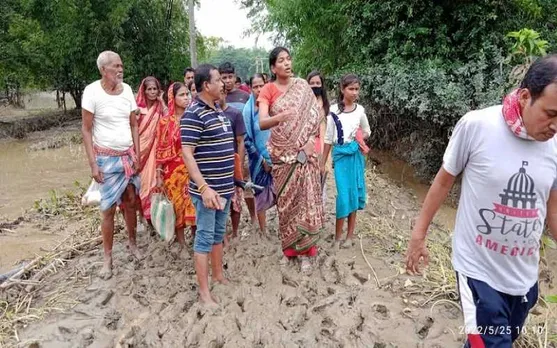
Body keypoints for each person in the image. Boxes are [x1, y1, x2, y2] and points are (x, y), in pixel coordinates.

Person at [405, 55, 557, 348]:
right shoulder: (477, 126)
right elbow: (442, 182)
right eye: (550, 113)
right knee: (492, 344)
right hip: (478, 275)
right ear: (526, 97)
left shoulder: (554, 146)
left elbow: (553, 209)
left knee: (489, 341)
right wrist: (418, 235)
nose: (555, 125)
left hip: (523, 280)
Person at [258, 47, 324, 274]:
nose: (287, 63)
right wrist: (280, 117)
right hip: (282, 157)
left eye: (289, 59)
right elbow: (262, 122)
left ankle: (307, 253)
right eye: (281, 60)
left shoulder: (303, 87)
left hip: (305, 156)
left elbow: (316, 117)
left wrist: (309, 144)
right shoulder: (267, 90)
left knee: (306, 203)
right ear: (273, 67)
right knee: (286, 205)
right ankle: (289, 251)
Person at [81, 51, 141, 280]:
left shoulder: (126, 91)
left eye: (121, 66)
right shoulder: (91, 92)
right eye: (116, 66)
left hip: (127, 156)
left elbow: (133, 124)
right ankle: (108, 259)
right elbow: (86, 129)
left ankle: (132, 244)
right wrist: (93, 165)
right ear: (103, 70)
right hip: (105, 159)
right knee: (107, 209)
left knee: (131, 201)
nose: (120, 70)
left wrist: (137, 153)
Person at [181, 64, 234, 306]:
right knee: (203, 238)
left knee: (218, 234)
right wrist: (203, 188)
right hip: (208, 193)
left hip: (224, 189)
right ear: (206, 85)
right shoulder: (193, 113)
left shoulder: (218, 110)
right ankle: (204, 292)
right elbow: (187, 154)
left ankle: (219, 276)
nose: (223, 84)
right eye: (218, 80)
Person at [321, 74, 370, 249]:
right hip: (340, 157)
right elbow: (328, 138)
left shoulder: (360, 111)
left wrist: (359, 136)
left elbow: (367, 130)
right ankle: (337, 237)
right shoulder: (334, 111)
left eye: (357, 89)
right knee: (343, 196)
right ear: (342, 89)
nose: (354, 92)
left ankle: (350, 236)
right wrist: (323, 161)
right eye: (351, 89)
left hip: (355, 157)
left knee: (354, 194)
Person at [155, 82, 196, 252]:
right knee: (177, 206)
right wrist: (158, 176)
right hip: (173, 173)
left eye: (188, 94)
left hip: (193, 168)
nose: (186, 98)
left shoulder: (194, 117)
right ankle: (181, 243)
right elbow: (159, 150)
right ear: (173, 97)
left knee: (195, 204)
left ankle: (196, 237)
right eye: (182, 95)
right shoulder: (165, 122)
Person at [219, 62, 257, 224]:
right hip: (222, 151)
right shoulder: (215, 97)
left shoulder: (244, 96)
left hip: (244, 148)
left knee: (246, 185)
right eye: (224, 77)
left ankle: (253, 217)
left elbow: (252, 121)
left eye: (230, 77)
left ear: (235, 77)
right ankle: (227, 222)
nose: (227, 81)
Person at [243, 73, 273, 234]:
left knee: (281, 191)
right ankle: (263, 229)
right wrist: (262, 160)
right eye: (255, 86)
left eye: (261, 85)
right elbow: (247, 139)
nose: (259, 89)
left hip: (277, 156)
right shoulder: (247, 111)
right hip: (257, 161)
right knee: (260, 192)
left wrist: (273, 157)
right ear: (250, 88)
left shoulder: (272, 105)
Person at [218, 84, 247, 241]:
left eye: (222, 93)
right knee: (220, 201)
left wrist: (240, 164)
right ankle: (222, 233)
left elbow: (240, 141)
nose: (219, 97)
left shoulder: (234, 114)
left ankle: (235, 232)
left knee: (235, 199)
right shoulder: (209, 114)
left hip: (232, 160)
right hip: (217, 165)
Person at [135, 76, 166, 223]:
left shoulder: (160, 108)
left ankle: (156, 218)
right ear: (144, 91)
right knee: (142, 185)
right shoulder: (137, 109)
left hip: (157, 152)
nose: (152, 92)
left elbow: (169, 122)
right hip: (141, 152)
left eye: (155, 89)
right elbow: (134, 131)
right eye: (149, 89)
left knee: (156, 183)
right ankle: (143, 217)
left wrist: (162, 101)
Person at [307, 71, 331, 208]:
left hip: (322, 148)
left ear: (322, 85)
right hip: (307, 147)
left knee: (321, 181)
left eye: (318, 83)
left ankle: (318, 212)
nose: (315, 86)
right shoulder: (303, 104)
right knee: (307, 182)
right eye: (312, 83)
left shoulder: (327, 107)